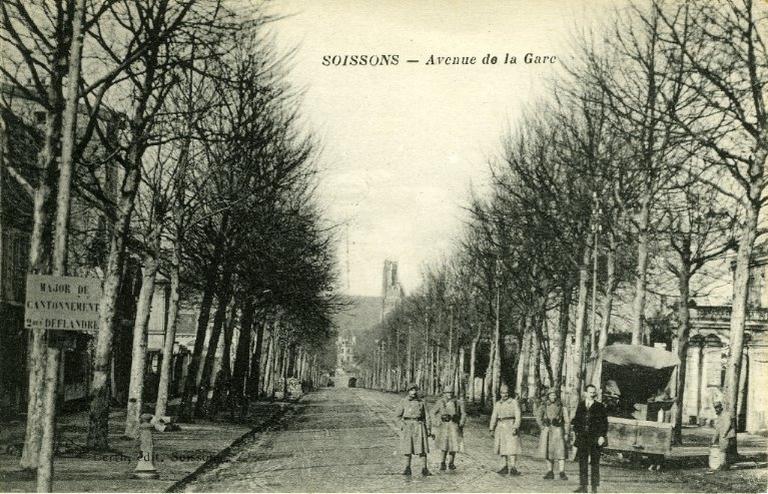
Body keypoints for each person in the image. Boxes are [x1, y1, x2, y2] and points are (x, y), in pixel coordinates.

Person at [571, 384, 608, 493]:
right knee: (582, 462)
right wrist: (576, 432)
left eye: (593, 392)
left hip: (595, 438)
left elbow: (604, 423)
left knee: (595, 463)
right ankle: (583, 486)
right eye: (590, 392)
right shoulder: (581, 405)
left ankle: (594, 487)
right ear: (585, 393)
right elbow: (577, 420)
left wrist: (602, 436)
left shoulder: (600, 406)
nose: (592, 394)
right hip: (583, 438)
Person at [395, 383, 432, 476]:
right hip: (408, 426)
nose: (414, 392)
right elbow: (397, 416)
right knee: (407, 448)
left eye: (415, 390)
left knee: (422, 448)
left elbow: (427, 416)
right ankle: (407, 468)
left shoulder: (421, 402)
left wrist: (428, 428)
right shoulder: (403, 402)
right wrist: (401, 426)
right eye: (411, 390)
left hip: (419, 426)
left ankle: (424, 468)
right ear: (408, 391)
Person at [536, 389, 570, 481]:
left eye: (554, 395)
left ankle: (562, 472)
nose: (553, 397)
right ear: (548, 396)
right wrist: (542, 426)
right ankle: (550, 471)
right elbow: (538, 416)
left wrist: (566, 432)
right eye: (551, 395)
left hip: (558, 430)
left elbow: (567, 420)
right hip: (547, 430)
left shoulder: (562, 406)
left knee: (561, 451)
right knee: (548, 451)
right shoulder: (544, 405)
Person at [489, 383, 523, 476]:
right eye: (502, 393)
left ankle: (513, 467)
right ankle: (504, 466)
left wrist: (516, 426)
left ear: (509, 393)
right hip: (500, 426)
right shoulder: (498, 403)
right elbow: (494, 416)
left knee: (512, 447)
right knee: (502, 447)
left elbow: (518, 415)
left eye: (506, 393)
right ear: (500, 393)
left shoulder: (514, 402)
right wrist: (491, 428)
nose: (504, 395)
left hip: (511, 425)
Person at [432, 385, 467, 471]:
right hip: (444, 425)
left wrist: (461, 422)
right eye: (447, 392)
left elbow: (463, 413)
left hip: (454, 425)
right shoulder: (440, 402)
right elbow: (432, 412)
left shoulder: (458, 402)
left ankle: (451, 463)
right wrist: (436, 422)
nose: (449, 394)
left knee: (453, 445)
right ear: (444, 393)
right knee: (444, 445)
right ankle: (442, 463)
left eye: (451, 393)